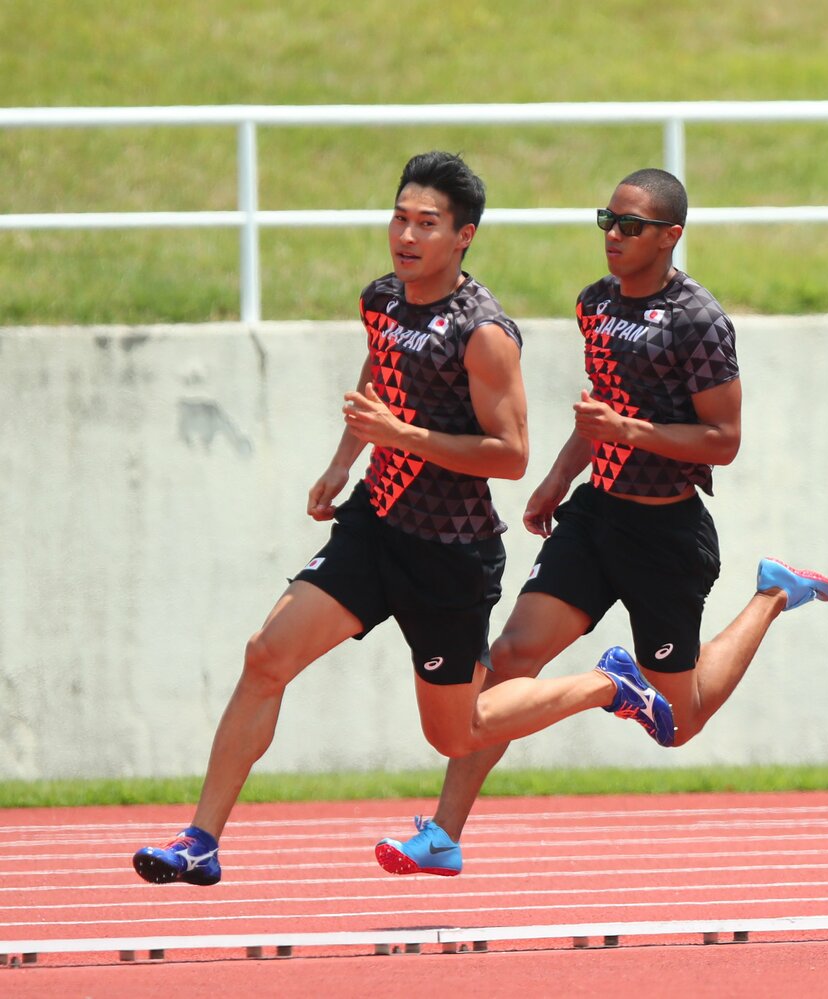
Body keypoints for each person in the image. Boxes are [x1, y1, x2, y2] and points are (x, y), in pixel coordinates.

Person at [372, 168, 828, 876]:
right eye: (606, 222)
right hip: (595, 519)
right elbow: (600, 411)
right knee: (509, 659)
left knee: (676, 723)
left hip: (666, 535)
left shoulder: (699, 320)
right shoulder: (595, 304)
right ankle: (442, 832)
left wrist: (629, 429)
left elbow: (724, 441)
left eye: (631, 227)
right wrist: (559, 478)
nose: (613, 236)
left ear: (671, 236)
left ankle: (772, 594)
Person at [133, 150, 530, 885]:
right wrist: (345, 458)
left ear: (464, 236)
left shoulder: (484, 333)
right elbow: (379, 376)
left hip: (450, 553)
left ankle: (608, 684)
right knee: (266, 655)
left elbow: (510, 455)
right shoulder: (382, 299)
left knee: (455, 730)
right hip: (374, 527)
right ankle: (201, 841)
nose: (406, 236)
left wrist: (403, 437)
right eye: (399, 218)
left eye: (427, 224)